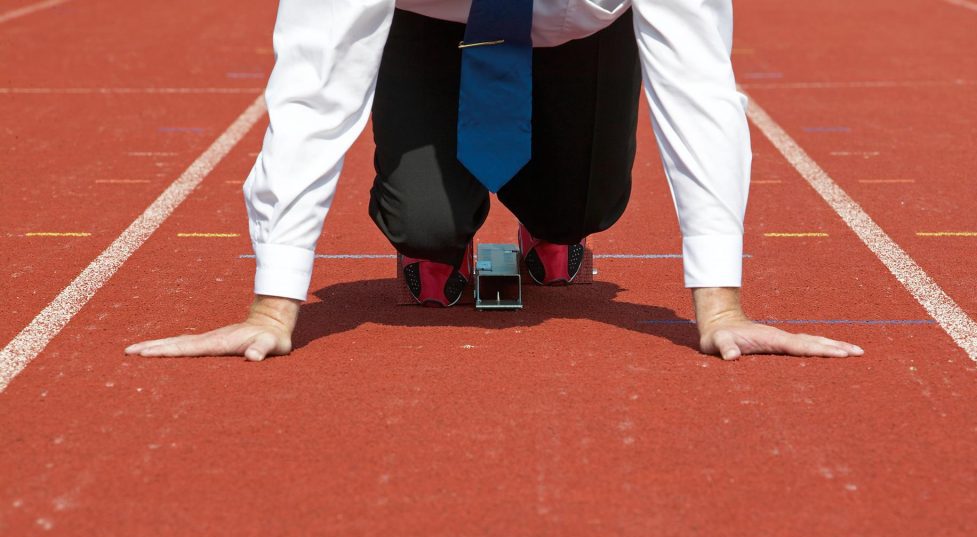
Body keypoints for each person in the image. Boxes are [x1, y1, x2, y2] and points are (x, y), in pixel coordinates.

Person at [125, 0, 864, 362]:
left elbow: (698, 82)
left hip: (580, 36)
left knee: (585, 205)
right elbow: (316, 79)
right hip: (430, 25)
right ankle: (437, 225)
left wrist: (722, 306)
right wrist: (272, 305)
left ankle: (551, 226)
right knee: (428, 228)